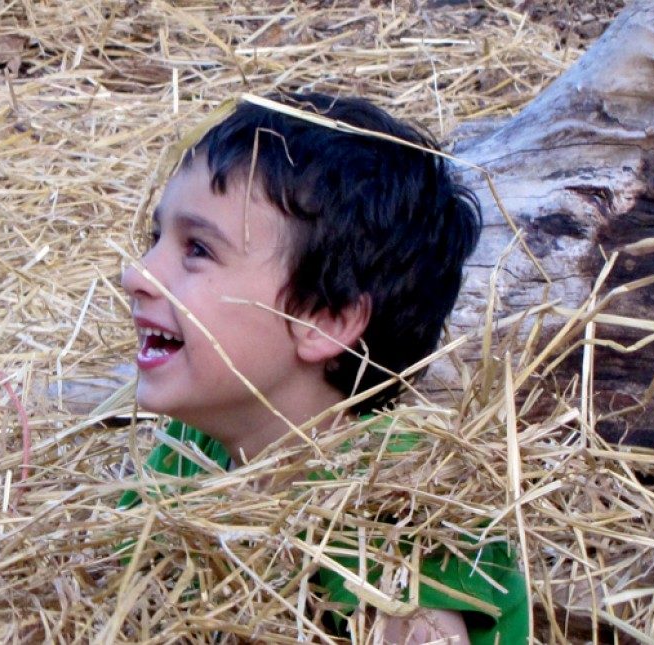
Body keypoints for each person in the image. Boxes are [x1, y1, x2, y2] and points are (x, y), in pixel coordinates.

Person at [118, 92, 528, 644]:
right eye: (155, 238)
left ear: (324, 319)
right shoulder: (187, 452)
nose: (138, 274)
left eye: (197, 249)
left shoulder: (397, 512)